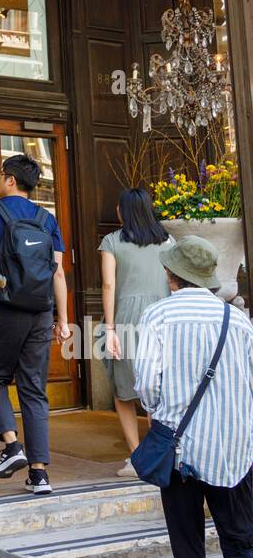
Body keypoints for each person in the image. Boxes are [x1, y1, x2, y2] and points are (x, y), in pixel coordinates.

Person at [135, 235, 253, 558]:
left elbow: (146, 384)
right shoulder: (237, 320)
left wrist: (161, 411)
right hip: (236, 451)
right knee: (241, 547)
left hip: (181, 451)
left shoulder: (159, 315)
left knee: (189, 547)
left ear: (171, 275)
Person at [0, 153, 71, 495]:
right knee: (34, 389)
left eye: (0, 174)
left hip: (3, 309)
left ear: (9, 180)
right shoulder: (47, 219)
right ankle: (39, 475)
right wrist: (62, 320)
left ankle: (11, 445)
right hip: (40, 312)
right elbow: (58, 272)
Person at [98, 188, 171, 478]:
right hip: (162, 319)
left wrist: (110, 328)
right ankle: (159, 456)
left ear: (124, 211)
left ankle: (136, 457)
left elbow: (108, 286)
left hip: (126, 319)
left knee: (124, 392)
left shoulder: (112, 241)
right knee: (159, 392)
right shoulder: (169, 241)